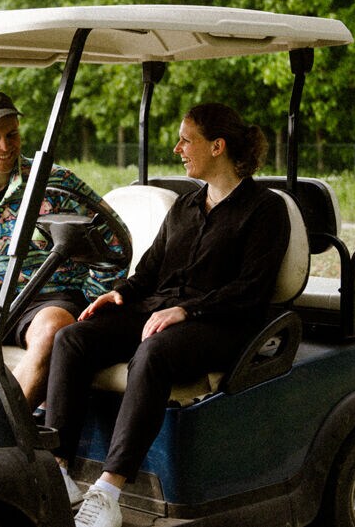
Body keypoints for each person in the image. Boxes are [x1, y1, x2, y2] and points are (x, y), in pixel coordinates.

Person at [45, 103, 291, 527]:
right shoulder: (185, 206)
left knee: (153, 354)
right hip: (162, 312)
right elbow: (149, 272)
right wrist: (118, 294)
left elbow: (251, 291)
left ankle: (108, 490)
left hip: (222, 323)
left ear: (217, 146)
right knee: (73, 337)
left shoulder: (264, 209)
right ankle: (60, 470)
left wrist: (188, 308)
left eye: (186, 140)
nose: (178, 148)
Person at [0, 90, 125, 412]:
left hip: (49, 297)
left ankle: (2, 432)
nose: (6, 147)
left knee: (51, 330)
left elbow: (114, 239)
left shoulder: (55, 182)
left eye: (12, 135)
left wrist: (91, 297)